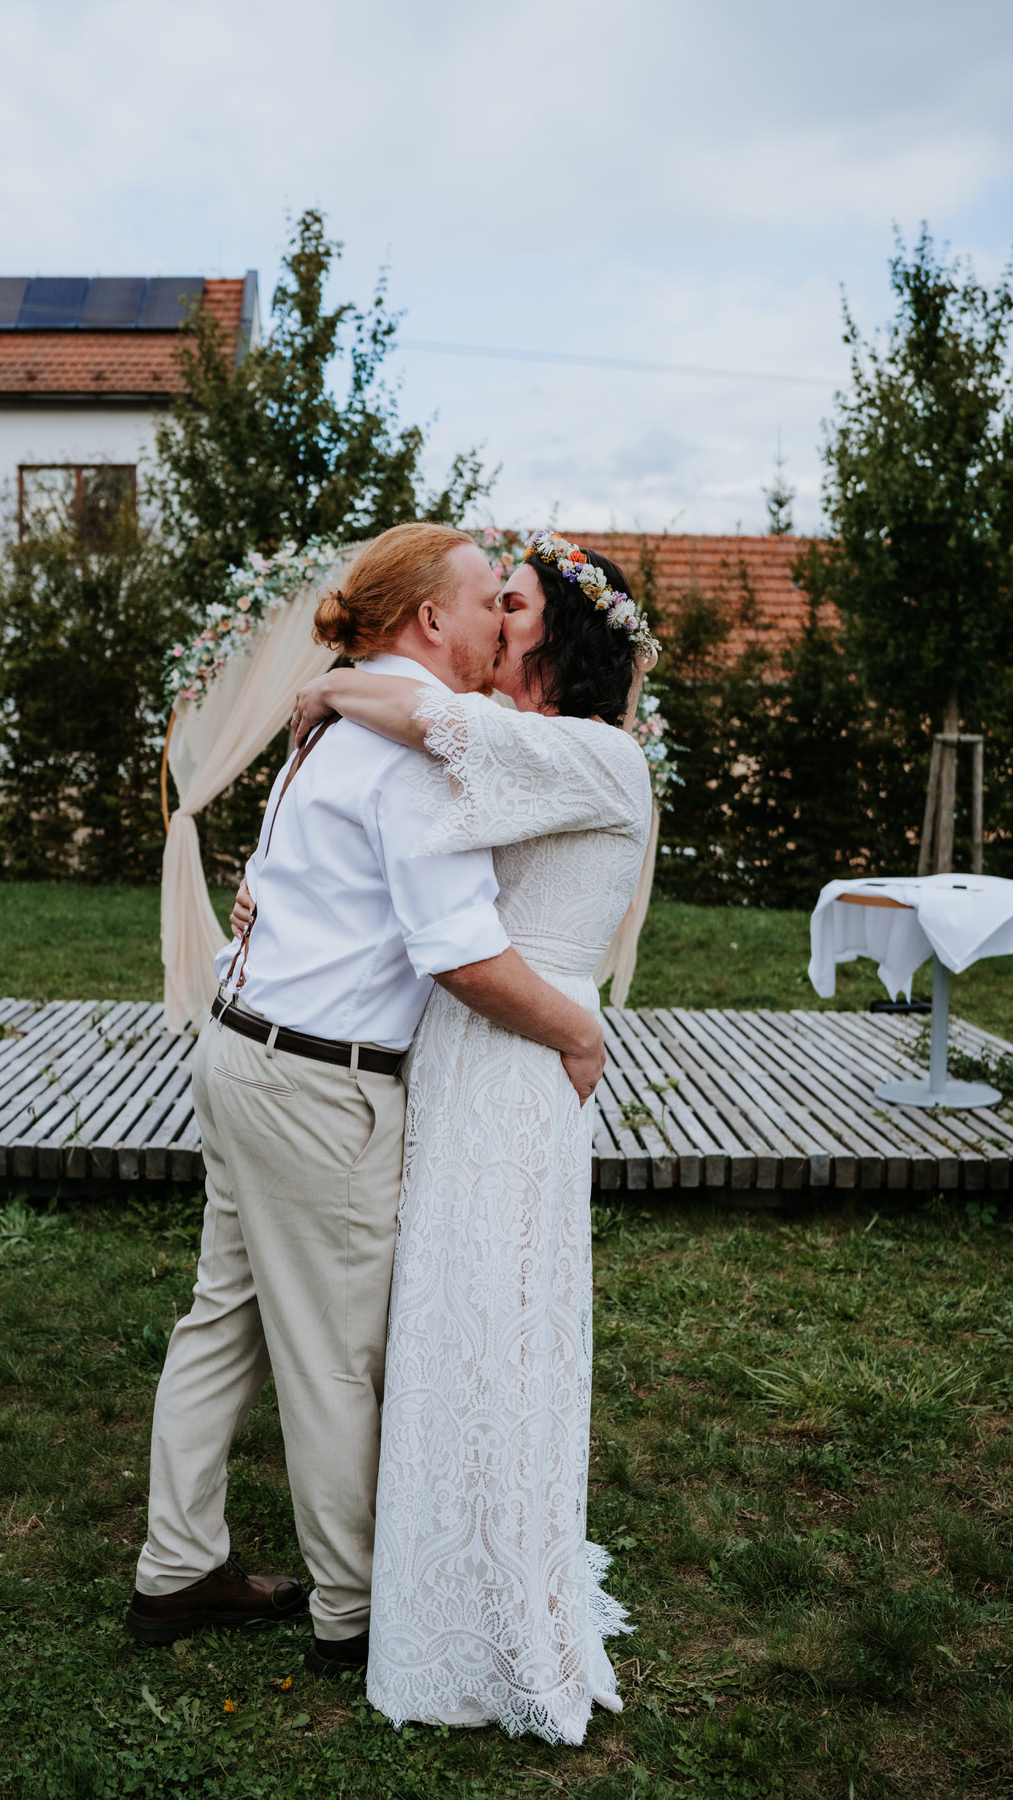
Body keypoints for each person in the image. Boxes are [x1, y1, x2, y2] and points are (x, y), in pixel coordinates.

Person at [124, 523, 607, 1677]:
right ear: (429, 622)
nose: (503, 617)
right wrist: (572, 1030)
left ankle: (178, 1563)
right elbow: (460, 956)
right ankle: (352, 1611)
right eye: (490, 600)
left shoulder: (343, 719)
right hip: (317, 1088)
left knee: (223, 1322)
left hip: (241, 1052)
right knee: (340, 1356)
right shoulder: (406, 751)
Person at [289, 530, 656, 1744]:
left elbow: (445, 727)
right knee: (446, 1315)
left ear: (558, 633)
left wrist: (337, 680)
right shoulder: (527, 754)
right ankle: (444, 1578)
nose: (494, 616)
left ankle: (491, 1608)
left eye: (513, 601)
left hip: (520, 1062)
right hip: (463, 1055)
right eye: (491, 598)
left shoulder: (600, 758)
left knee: (492, 1320)